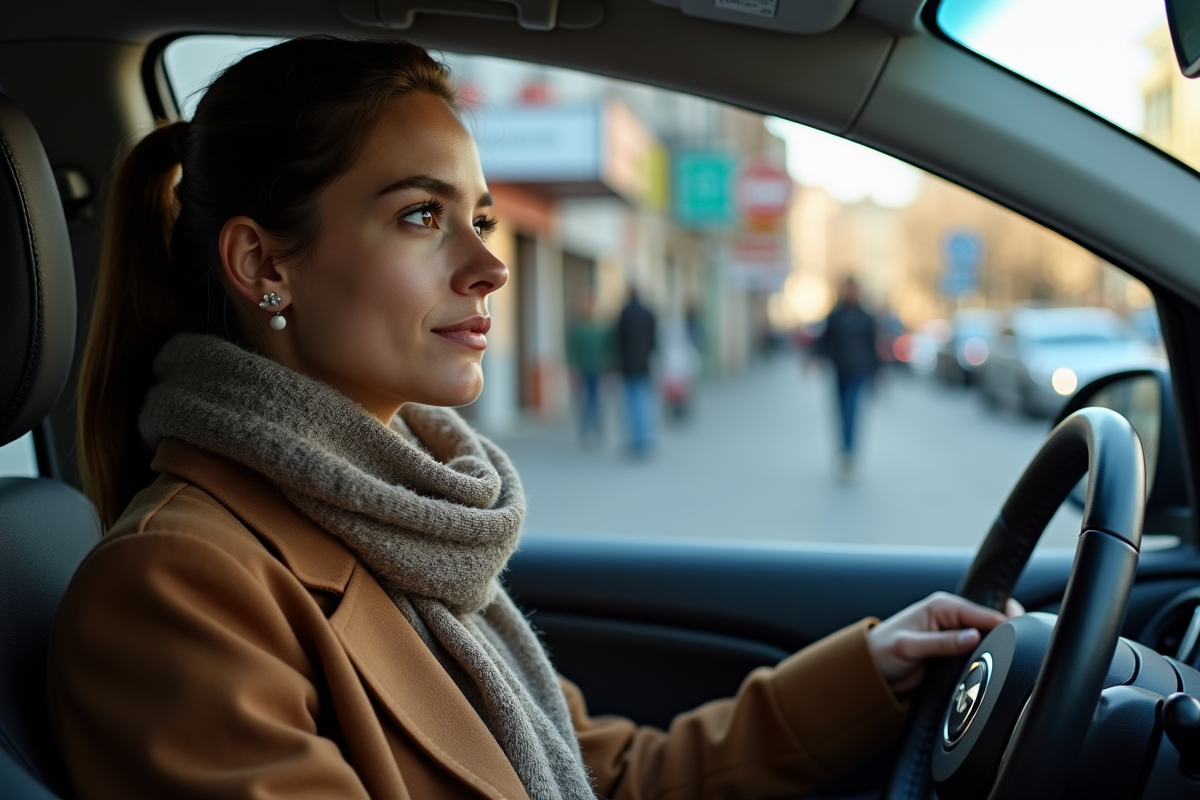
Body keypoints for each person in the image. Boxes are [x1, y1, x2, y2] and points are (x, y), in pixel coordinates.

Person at [53, 37, 1018, 800]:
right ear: (265, 266)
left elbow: (603, 777)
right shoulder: (177, 585)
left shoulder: (409, 521)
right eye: (421, 216)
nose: (489, 266)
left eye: (480, 217)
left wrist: (875, 670)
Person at [813, 277, 880, 476]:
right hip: (840, 371)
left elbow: (873, 346)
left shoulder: (866, 318)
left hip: (859, 371)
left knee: (852, 409)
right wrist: (815, 357)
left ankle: (850, 453)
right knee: (841, 412)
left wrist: (877, 373)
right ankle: (844, 450)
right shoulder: (835, 316)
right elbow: (825, 341)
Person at [614, 288, 657, 455]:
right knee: (644, 401)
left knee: (632, 403)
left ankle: (636, 439)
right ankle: (644, 438)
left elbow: (618, 341)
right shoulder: (648, 313)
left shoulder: (625, 313)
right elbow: (654, 340)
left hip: (628, 366)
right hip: (644, 365)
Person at [565, 287, 608, 444]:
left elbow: (607, 349)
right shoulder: (578, 327)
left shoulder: (600, 326)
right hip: (583, 369)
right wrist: (573, 370)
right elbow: (572, 350)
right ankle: (585, 432)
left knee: (596, 401)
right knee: (584, 402)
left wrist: (608, 369)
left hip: (597, 369)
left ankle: (597, 431)